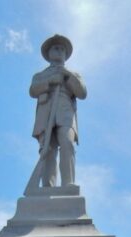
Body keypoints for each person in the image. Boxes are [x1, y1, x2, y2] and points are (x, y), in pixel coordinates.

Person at [27, 34, 86, 191]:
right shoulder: (40, 75)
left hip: (65, 113)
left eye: (62, 49)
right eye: (55, 48)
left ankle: (68, 183)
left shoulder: (74, 75)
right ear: (49, 53)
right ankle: (48, 186)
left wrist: (67, 77)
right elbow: (33, 91)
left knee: (67, 143)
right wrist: (50, 81)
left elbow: (82, 93)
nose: (59, 51)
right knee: (48, 150)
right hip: (46, 114)